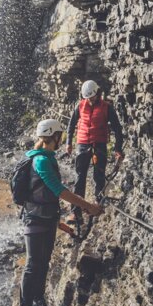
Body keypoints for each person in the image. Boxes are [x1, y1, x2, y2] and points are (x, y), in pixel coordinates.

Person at [19, 118, 103, 306]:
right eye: (61, 137)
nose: (62, 141)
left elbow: (48, 195)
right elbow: (60, 191)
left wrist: (61, 224)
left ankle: (39, 301)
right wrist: (88, 207)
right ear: (54, 137)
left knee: (43, 262)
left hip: (47, 219)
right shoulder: (42, 161)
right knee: (32, 266)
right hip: (35, 220)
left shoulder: (47, 158)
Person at [64, 80, 124, 229]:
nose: (90, 100)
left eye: (92, 97)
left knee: (99, 175)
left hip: (99, 144)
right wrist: (69, 143)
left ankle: (98, 204)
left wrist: (118, 148)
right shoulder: (80, 105)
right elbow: (71, 124)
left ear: (98, 93)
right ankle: (76, 211)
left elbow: (117, 128)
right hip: (82, 144)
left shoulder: (107, 108)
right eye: (88, 98)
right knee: (80, 176)